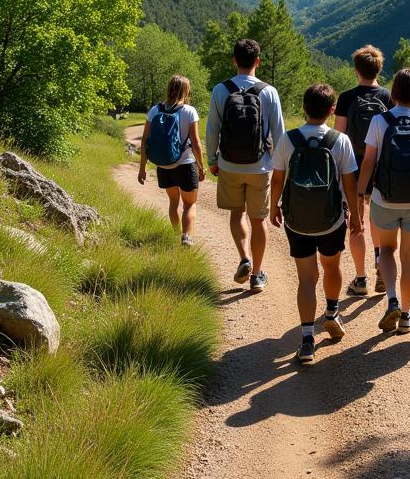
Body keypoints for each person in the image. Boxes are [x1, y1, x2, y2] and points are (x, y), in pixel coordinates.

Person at [270, 83, 362, 365]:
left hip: (297, 221)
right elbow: (350, 184)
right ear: (332, 110)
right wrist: (356, 217)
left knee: (306, 278)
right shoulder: (340, 141)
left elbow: (277, 179)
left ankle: (307, 339)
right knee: (332, 266)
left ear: (303, 107)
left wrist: (273, 206)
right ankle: (332, 312)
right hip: (331, 220)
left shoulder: (288, 139)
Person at [356, 68, 410, 335]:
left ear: (393, 92)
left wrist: (360, 196)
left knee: (387, 251)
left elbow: (369, 162)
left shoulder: (380, 121)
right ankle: (406, 315)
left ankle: (391, 297)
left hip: (384, 199)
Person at [206, 38, 284, 291]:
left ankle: (244, 258)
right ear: (258, 61)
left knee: (236, 213)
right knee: (259, 220)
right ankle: (258, 275)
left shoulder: (221, 89)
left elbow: (212, 130)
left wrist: (212, 160)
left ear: (234, 60)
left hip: (229, 165)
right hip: (260, 165)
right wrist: (277, 165)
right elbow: (279, 134)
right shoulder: (269, 92)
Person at [334, 45, 393, 297]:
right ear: (379, 69)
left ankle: (361, 279)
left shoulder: (347, 98)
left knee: (356, 224)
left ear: (357, 70)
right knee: (377, 216)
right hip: (381, 164)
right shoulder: (388, 97)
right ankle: (381, 265)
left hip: (354, 167)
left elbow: (338, 137)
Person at [137, 74, 205, 246]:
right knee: (189, 204)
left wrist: (142, 168)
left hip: (163, 165)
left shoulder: (154, 111)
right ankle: (186, 238)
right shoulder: (189, 111)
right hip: (185, 164)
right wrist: (201, 166)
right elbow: (196, 142)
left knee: (174, 202)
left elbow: (145, 141)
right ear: (186, 91)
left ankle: (175, 236)